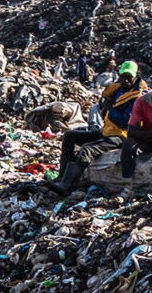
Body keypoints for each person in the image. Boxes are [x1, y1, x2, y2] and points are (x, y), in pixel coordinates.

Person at [47, 61, 144, 195]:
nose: (126, 80)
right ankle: (61, 176)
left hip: (120, 136)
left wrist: (110, 108)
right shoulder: (117, 89)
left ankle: (68, 185)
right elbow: (103, 103)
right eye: (123, 76)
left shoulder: (136, 98)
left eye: (129, 77)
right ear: (119, 75)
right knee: (70, 136)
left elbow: (126, 122)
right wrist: (105, 106)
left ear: (135, 77)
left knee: (87, 149)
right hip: (106, 130)